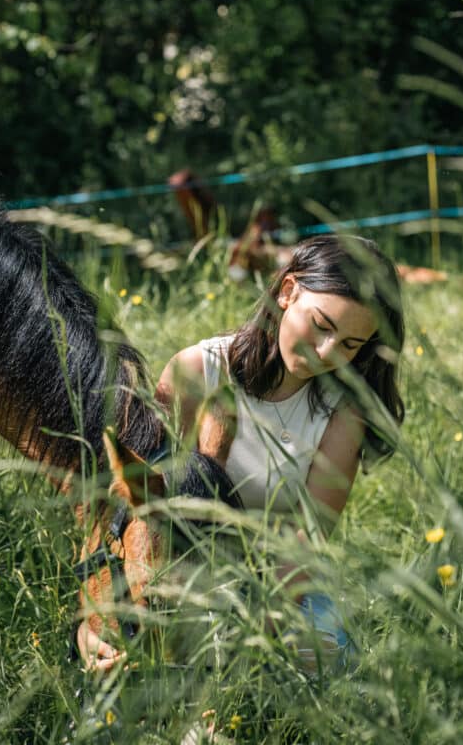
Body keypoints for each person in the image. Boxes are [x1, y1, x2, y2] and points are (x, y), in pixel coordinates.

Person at [156, 233, 405, 668]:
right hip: (174, 566)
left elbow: (306, 539)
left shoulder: (341, 414)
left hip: (280, 580)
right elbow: (141, 496)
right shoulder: (197, 371)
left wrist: (251, 632)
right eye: (323, 326)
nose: (327, 352)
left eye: (350, 345)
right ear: (288, 292)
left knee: (324, 656)